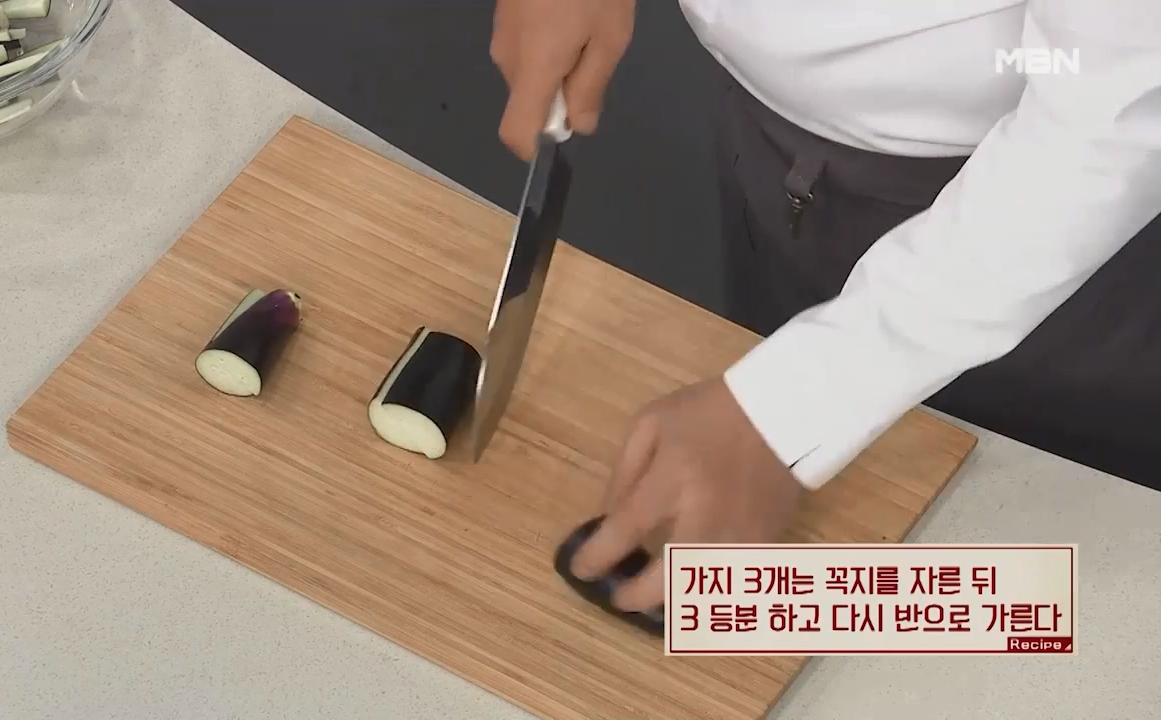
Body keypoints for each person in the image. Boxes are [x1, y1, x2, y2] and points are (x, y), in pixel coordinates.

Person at [489, 0, 1161, 615]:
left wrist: (794, 407)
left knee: (1051, 577)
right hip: (779, 144)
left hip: (1044, 227)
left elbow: (1120, 113)